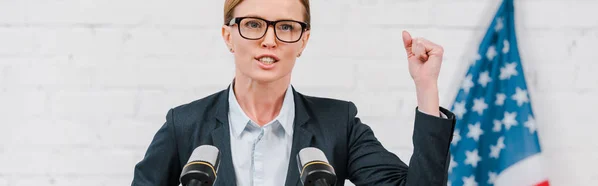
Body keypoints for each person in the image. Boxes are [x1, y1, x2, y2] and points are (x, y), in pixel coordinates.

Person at [131, 0, 456, 185]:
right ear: (228, 36)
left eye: (286, 27)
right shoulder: (184, 124)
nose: (269, 40)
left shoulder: (337, 124)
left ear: (303, 41)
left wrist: (426, 87)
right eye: (254, 24)